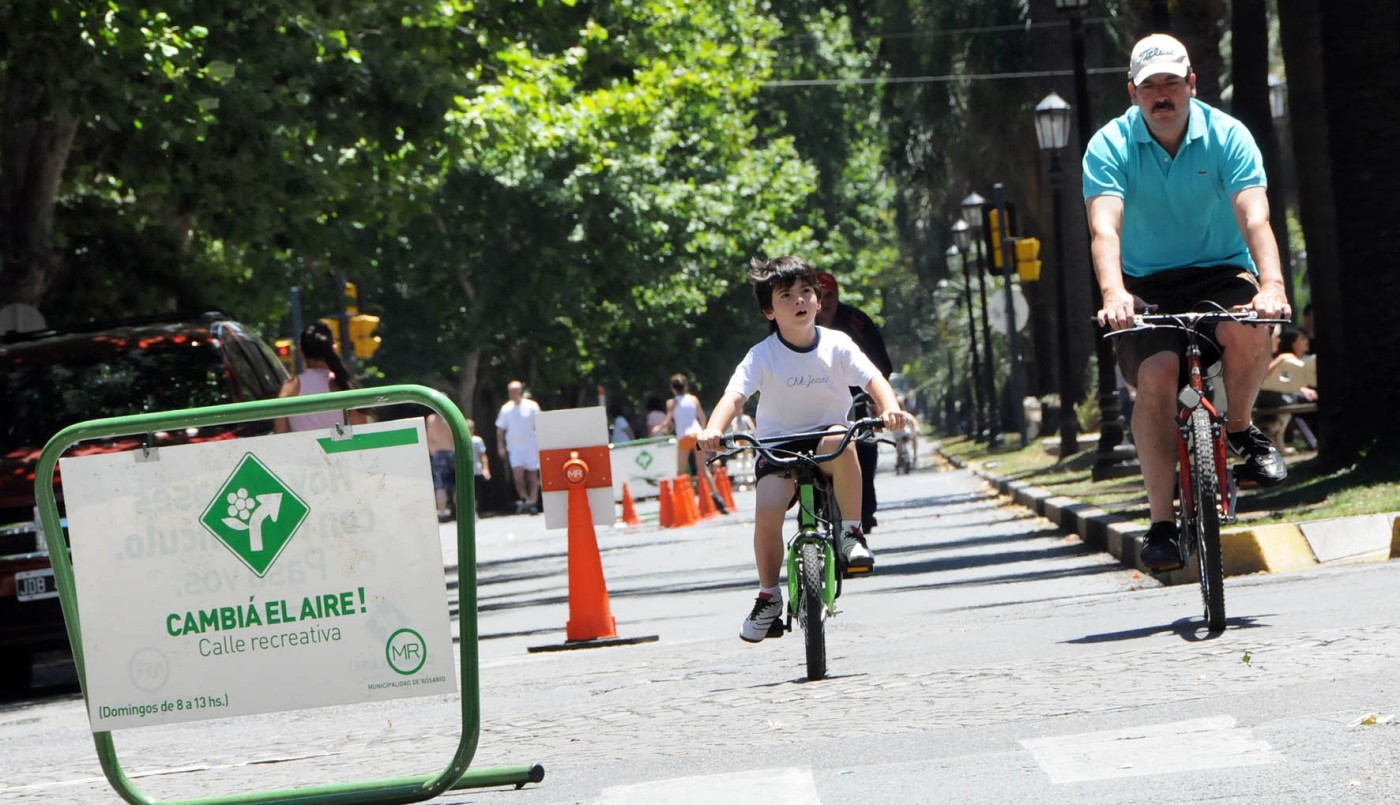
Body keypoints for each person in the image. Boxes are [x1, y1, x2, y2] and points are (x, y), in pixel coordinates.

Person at [1084, 33, 1291, 573]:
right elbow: (1105, 230)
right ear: (1132, 92)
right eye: (1149, 85)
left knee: (1249, 328)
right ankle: (1161, 524)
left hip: (1221, 271)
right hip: (1145, 284)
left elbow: (1255, 218)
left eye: (1171, 82)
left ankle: (1242, 428)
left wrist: (1271, 285)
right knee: (1155, 372)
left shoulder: (1229, 136)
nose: (1161, 94)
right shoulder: (1108, 146)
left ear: (1192, 84)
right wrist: (1114, 294)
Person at [697, 256, 911, 643]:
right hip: (778, 444)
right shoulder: (761, 355)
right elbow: (735, 396)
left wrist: (890, 407)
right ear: (769, 310)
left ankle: (851, 534)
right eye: (787, 295)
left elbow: (873, 379)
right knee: (767, 507)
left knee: (839, 439)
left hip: (829, 436)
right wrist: (714, 428)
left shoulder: (838, 344)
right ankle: (769, 596)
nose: (800, 301)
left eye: (807, 292)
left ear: (817, 299)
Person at [813, 271, 894, 534]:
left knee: (866, 444)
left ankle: (864, 511)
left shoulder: (856, 322)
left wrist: (881, 401)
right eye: (819, 296)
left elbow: (879, 366)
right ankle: (810, 511)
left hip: (854, 398)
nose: (824, 304)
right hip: (813, 401)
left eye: (830, 297)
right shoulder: (795, 324)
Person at [273, 321, 367, 434]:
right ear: (334, 348)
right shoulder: (343, 384)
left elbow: (280, 434)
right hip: (339, 449)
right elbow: (359, 431)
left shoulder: (290, 388)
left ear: (301, 352)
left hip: (303, 450)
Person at [662, 373, 728, 515]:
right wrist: (704, 432)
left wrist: (663, 427)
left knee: (681, 471)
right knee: (702, 468)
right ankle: (717, 498)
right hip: (697, 434)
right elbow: (702, 418)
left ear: (673, 388)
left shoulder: (672, 402)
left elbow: (668, 422)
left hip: (684, 436)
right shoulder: (693, 399)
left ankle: (677, 502)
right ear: (686, 385)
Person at [495, 380, 542, 514]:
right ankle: (524, 498)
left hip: (531, 446)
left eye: (514, 391)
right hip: (515, 448)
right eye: (510, 391)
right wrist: (500, 446)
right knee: (518, 475)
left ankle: (533, 502)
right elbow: (500, 428)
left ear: (520, 391)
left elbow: (539, 424)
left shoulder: (532, 406)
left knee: (532, 475)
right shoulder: (506, 408)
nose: (512, 393)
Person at [425, 411, 457, 522]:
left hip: (438, 453)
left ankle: (442, 513)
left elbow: (429, 438)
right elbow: (453, 436)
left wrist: (433, 452)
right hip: (450, 451)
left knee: (440, 486)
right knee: (456, 485)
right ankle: (459, 511)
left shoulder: (431, 419)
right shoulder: (449, 417)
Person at [467, 418, 492, 514]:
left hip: (477, 470)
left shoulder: (477, 440)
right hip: (466, 471)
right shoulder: (458, 440)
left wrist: (485, 469)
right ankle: (470, 510)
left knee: (477, 492)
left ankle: (476, 510)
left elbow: (483, 455)